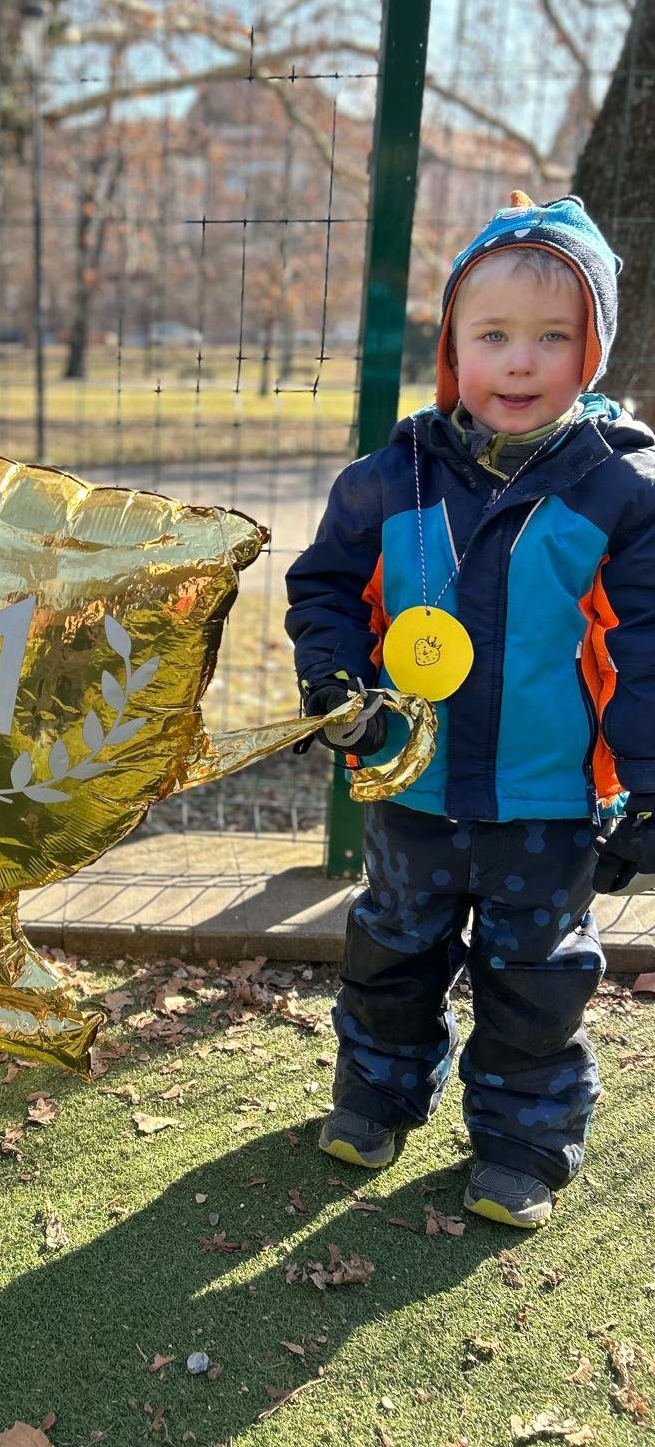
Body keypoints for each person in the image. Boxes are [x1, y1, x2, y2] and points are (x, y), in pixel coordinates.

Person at [285, 192, 655, 1228]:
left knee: (536, 980)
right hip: (412, 788)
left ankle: (523, 1138)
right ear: (452, 346)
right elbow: (325, 589)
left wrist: (650, 786)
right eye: (493, 336)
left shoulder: (623, 492)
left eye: (553, 337)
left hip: (548, 806)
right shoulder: (388, 478)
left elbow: (648, 646)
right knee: (391, 951)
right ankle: (376, 1094)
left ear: (592, 351)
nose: (521, 363)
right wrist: (334, 682)